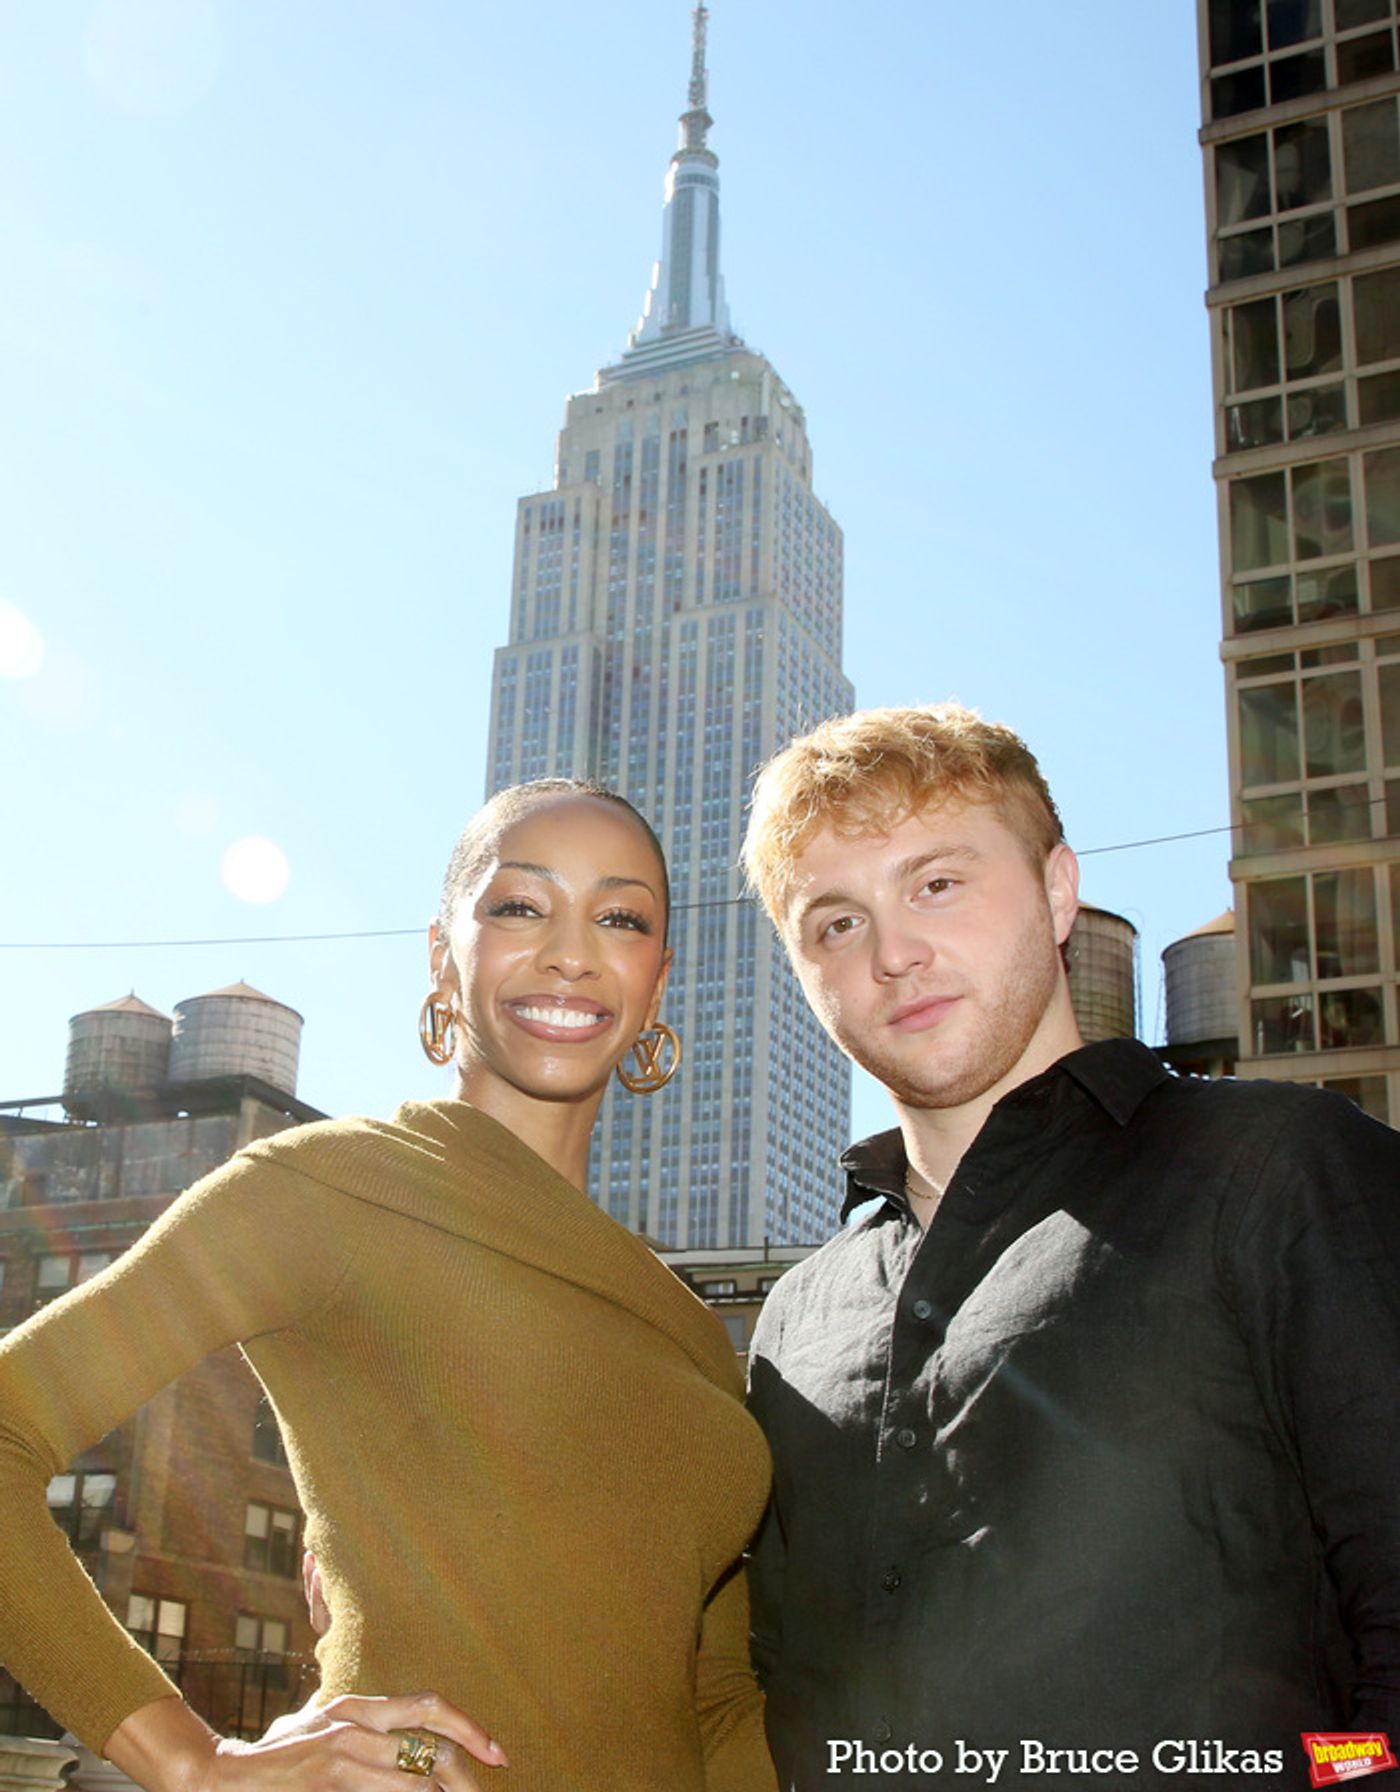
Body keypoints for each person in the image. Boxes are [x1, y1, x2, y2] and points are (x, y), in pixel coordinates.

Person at [0, 780, 776, 1792]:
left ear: (658, 978)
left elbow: (712, 1702)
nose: (570, 951)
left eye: (619, 917)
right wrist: (193, 1763)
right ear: (439, 953)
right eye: (518, 906)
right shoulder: (320, 1189)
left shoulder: (689, 1325)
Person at [739, 703, 1400, 1791]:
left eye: (935, 884)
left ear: (1056, 890)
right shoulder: (798, 1316)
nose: (893, 952)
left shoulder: (1279, 1170)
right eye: (834, 923)